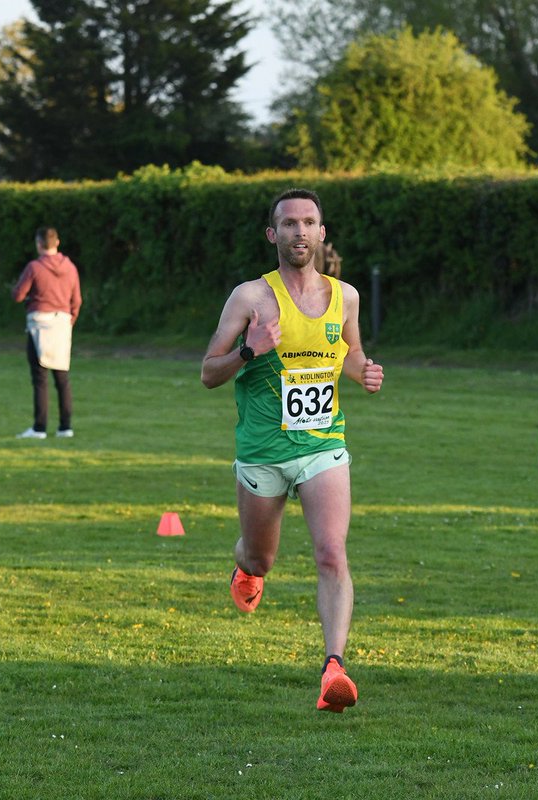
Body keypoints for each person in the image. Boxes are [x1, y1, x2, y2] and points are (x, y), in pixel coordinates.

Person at [200, 188, 384, 713]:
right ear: (272, 234)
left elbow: (349, 352)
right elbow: (209, 373)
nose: (299, 232)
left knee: (332, 553)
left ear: (322, 233)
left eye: (309, 223)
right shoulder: (250, 299)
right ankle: (246, 567)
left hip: (324, 444)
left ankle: (333, 668)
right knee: (262, 555)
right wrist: (248, 350)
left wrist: (364, 372)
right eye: (289, 224)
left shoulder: (345, 296)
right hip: (262, 452)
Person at [11, 226, 82, 439]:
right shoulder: (70, 268)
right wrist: (71, 320)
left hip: (40, 324)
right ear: (57, 243)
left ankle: (39, 427)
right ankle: (65, 427)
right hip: (62, 322)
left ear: (39, 244)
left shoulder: (34, 267)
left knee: (40, 378)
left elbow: (18, 295)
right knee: (62, 378)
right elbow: (76, 300)